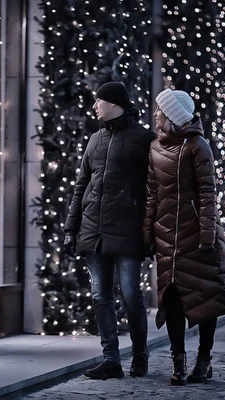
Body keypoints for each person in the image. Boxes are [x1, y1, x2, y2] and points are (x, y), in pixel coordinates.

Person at [63, 81, 156, 380]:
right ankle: (111, 359)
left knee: (131, 295)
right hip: (93, 231)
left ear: (114, 103)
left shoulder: (144, 139)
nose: (94, 107)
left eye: (98, 101)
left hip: (127, 231)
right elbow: (81, 186)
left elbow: (155, 190)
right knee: (100, 296)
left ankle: (140, 356)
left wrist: (150, 233)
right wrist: (70, 228)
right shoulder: (94, 140)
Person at [143, 88, 225, 386]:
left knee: (204, 296)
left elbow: (208, 194)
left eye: (160, 110)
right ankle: (178, 360)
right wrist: (147, 234)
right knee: (172, 301)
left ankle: (204, 359)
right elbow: (151, 195)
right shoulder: (155, 148)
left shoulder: (199, 147)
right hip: (166, 238)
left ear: (171, 115)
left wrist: (207, 237)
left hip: (197, 238)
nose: (156, 114)